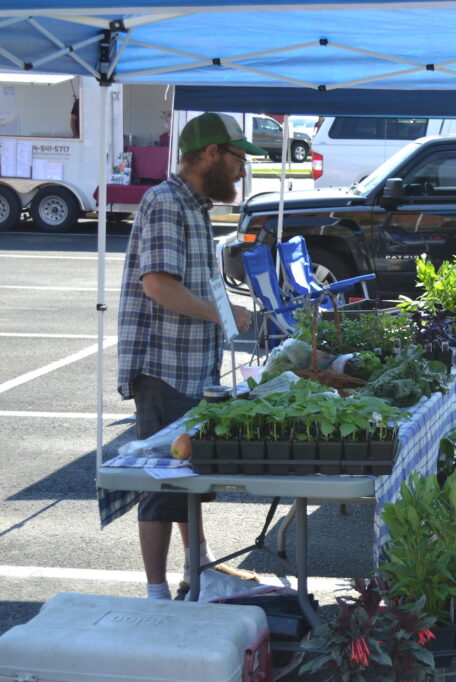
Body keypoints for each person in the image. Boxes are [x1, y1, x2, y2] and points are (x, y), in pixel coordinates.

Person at [117, 112, 260, 600]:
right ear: (211, 153)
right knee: (162, 486)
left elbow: (191, 284)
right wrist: (222, 317)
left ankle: (198, 572)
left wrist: (228, 308)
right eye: (239, 158)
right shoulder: (165, 203)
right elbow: (158, 285)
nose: (243, 171)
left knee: (184, 478)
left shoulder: (193, 206)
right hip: (164, 368)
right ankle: (157, 596)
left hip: (189, 366)